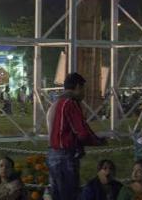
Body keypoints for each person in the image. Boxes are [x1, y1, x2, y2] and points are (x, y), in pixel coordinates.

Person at [46, 72, 106, 200]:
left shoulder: (56, 103)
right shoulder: (70, 103)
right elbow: (82, 132)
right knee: (69, 195)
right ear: (78, 87)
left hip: (52, 155)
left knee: (56, 195)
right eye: (84, 89)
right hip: (65, 156)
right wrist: (98, 141)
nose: (84, 93)